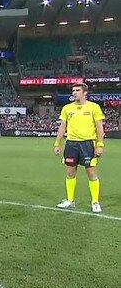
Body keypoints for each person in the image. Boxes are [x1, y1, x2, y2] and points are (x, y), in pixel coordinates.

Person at [54, 82, 105, 213]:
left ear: (85, 93)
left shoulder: (94, 107)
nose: (74, 92)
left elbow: (99, 127)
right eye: (73, 90)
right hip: (71, 144)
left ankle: (95, 202)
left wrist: (100, 144)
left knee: (92, 173)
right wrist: (57, 143)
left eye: (77, 90)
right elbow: (62, 127)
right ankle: (70, 200)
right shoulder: (67, 108)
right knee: (70, 172)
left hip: (87, 143)